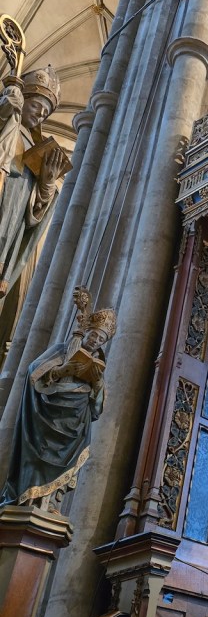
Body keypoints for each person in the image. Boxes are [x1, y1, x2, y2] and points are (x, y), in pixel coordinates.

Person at [0, 291, 117, 508]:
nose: (96, 341)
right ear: (88, 331)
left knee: (66, 462)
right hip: (47, 417)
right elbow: (33, 371)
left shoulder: (98, 365)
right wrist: (60, 371)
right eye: (94, 335)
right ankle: (28, 498)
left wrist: (98, 383)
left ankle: (50, 501)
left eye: (101, 339)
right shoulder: (62, 350)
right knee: (39, 458)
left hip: (75, 420)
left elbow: (97, 409)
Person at [0, 64, 66, 299]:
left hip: (11, 218)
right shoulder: (8, 122)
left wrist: (46, 185)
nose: (39, 114)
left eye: (45, 113)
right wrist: (7, 109)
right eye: (37, 106)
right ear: (24, 99)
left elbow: (32, 216)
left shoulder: (35, 149)